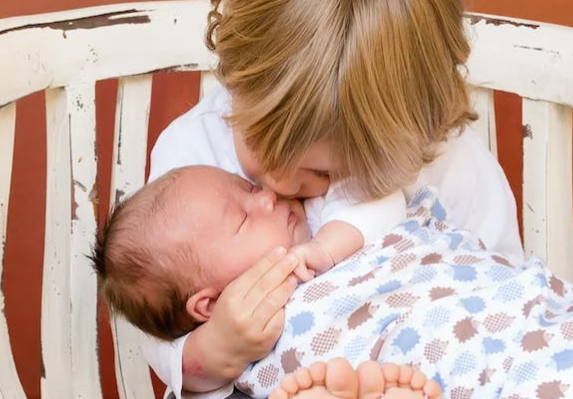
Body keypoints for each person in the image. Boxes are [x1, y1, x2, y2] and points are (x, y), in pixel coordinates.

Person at [143, 0, 524, 397]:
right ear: (235, 82)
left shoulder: (450, 163)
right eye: (261, 146)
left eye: (325, 173)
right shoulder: (192, 157)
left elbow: (501, 289)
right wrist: (217, 347)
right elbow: (159, 324)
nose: (282, 186)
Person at [92, 165, 442, 399]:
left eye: (249, 187)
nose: (267, 196)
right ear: (210, 305)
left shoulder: (322, 215)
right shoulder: (238, 344)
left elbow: (379, 200)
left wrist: (326, 247)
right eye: (244, 219)